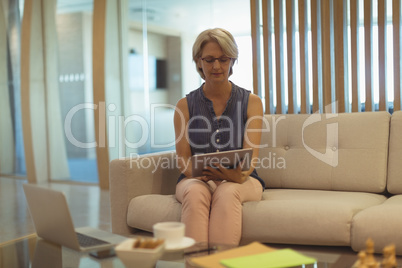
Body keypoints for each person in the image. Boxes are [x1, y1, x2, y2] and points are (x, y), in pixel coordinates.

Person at [173, 28, 265, 246]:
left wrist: (232, 175)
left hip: (242, 179)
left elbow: (250, 161)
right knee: (195, 194)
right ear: (198, 62)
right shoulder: (184, 106)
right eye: (209, 59)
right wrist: (201, 175)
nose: (216, 66)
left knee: (227, 191)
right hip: (196, 180)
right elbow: (183, 160)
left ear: (232, 61)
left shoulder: (252, 102)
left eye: (223, 59)